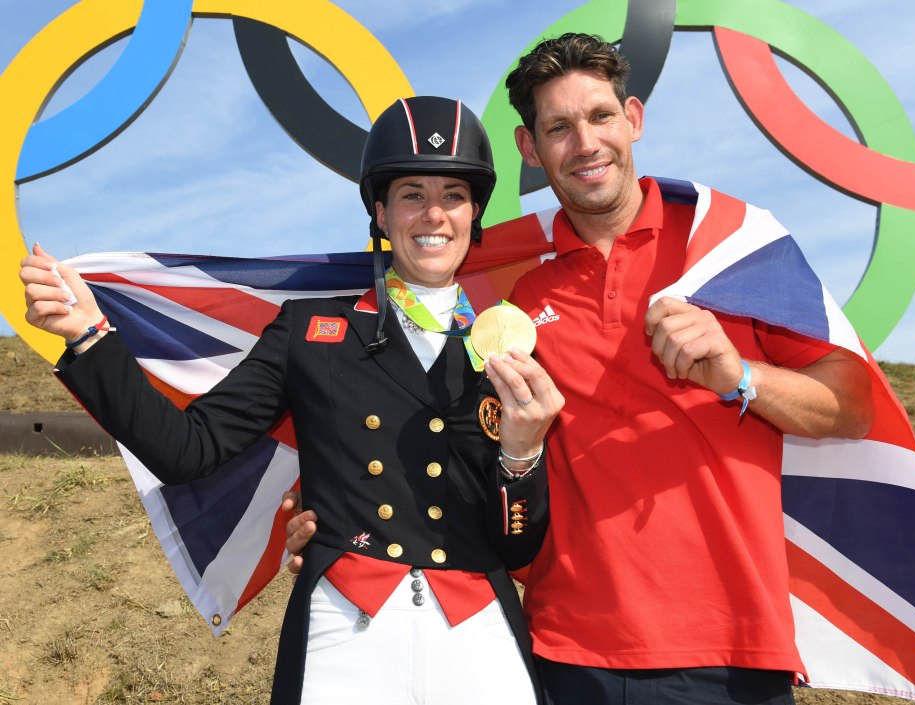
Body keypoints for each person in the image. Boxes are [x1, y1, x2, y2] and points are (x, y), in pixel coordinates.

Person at [285, 34, 875, 705]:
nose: (586, 143)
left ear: (634, 119)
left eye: (599, 116)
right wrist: (337, 510)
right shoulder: (505, 294)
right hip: (569, 654)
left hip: (735, 648)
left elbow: (852, 404)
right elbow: (410, 402)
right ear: (530, 149)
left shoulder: (730, 244)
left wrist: (740, 374)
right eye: (559, 128)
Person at [19, 96, 564, 705]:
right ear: (381, 214)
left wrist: (521, 455)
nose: (433, 214)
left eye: (453, 196)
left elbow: (519, 545)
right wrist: (92, 339)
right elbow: (185, 451)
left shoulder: (510, 349)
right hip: (345, 631)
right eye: (412, 193)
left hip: (478, 631)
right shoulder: (309, 332)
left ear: (474, 214)